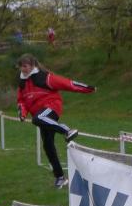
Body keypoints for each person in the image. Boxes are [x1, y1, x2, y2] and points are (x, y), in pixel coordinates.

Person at [16, 53, 96, 188]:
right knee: (47, 145)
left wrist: (88, 88)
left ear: (32, 66)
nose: (23, 69)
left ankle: (67, 130)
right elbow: (21, 101)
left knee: (37, 118)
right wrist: (22, 113)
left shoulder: (45, 77)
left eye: (25, 66)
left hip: (51, 107)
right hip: (41, 117)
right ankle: (60, 177)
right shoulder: (22, 83)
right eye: (21, 67)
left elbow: (68, 84)